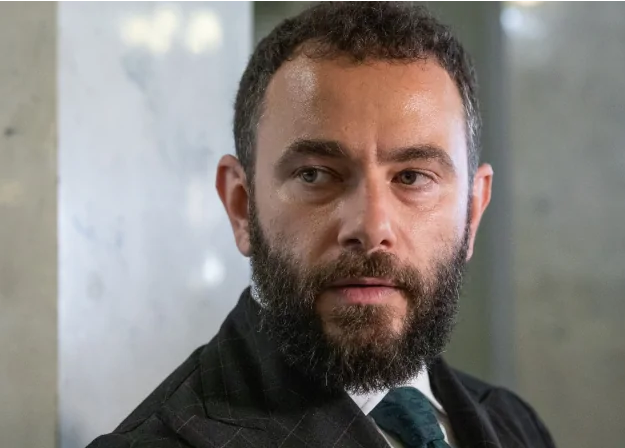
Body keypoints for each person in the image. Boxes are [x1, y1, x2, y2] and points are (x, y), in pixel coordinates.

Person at [88, 2, 555, 447]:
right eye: (315, 174)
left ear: (472, 210)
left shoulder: (515, 424)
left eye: (412, 177)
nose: (371, 227)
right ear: (241, 205)